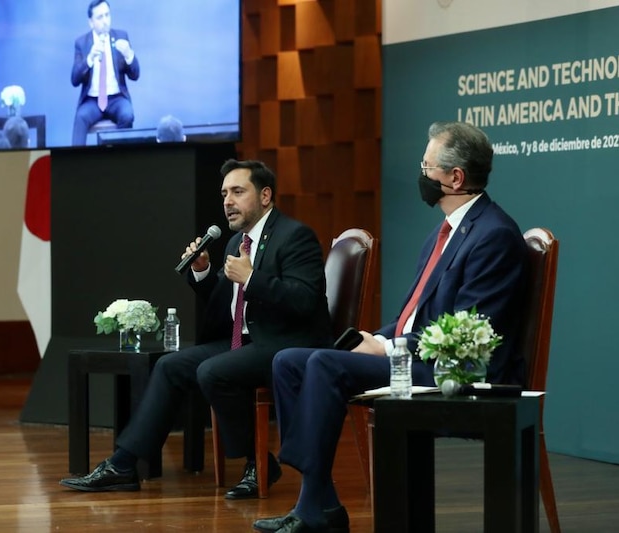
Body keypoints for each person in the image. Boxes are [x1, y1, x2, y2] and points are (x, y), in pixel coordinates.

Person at [252, 121, 529, 533]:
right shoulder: (446, 231)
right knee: (289, 361)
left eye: (427, 165)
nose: (421, 174)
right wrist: (381, 337)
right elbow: (416, 314)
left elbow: (469, 332)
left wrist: (389, 348)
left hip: (453, 373)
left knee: (325, 366)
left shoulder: (494, 235)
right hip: (415, 355)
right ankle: (321, 501)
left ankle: (312, 508)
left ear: (455, 178)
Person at [59, 159, 332, 499]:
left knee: (212, 371)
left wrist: (252, 278)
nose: (227, 202)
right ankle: (123, 464)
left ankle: (259, 462)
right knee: (171, 365)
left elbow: (306, 301)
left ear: (265, 196)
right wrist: (203, 273)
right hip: (246, 341)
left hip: (286, 342)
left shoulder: (295, 236)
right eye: (223, 194)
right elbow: (227, 304)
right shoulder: (236, 244)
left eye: (237, 192)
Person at [71, 0, 140, 146]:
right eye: (100, 17)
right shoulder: (82, 43)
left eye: (107, 15)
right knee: (80, 117)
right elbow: (74, 80)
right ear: (91, 22)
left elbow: (135, 75)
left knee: (127, 114)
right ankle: (76, 162)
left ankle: (121, 160)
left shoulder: (122, 36)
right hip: (92, 101)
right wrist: (89, 59)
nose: (105, 21)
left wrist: (129, 55)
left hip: (117, 98)